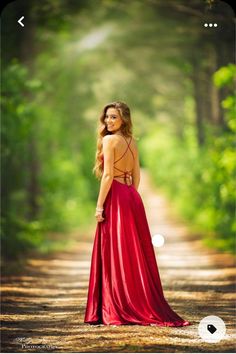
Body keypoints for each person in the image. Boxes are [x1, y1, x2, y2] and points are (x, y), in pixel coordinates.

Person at [84, 101, 191, 327]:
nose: (108, 121)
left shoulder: (108, 140)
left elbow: (107, 176)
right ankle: (132, 301)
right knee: (131, 252)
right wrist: (130, 196)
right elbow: (136, 175)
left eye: (114, 117)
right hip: (132, 197)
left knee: (116, 250)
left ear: (124, 119)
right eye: (107, 117)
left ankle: (116, 305)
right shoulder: (132, 141)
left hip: (115, 196)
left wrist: (99, 206)